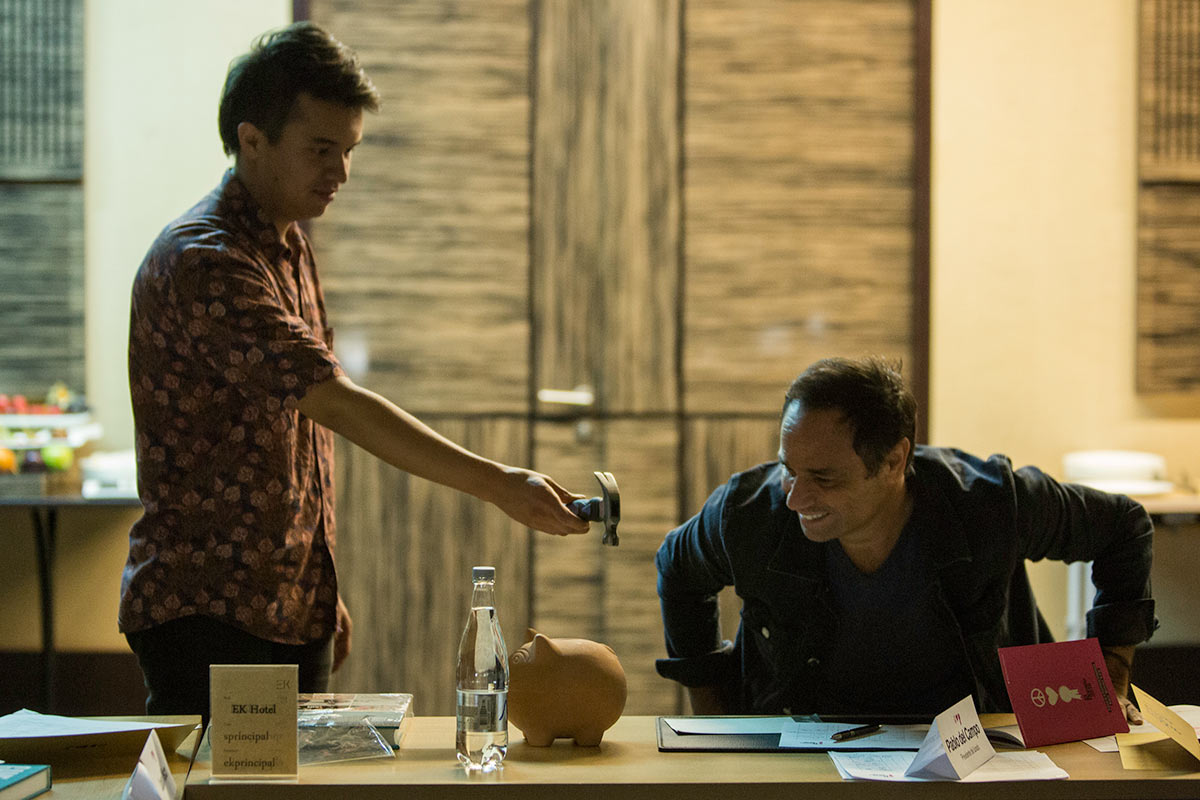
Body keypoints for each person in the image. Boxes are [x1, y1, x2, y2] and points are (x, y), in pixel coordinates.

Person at [120, 21, 590, 720]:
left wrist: (318, 589)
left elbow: (299, 442)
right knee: (226, 779)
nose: (340, 172)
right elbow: (334, 402)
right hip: (210, 610)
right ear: (252, 140)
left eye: (348, 151)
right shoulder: (206, 260)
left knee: (307, 775)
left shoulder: (287, 245)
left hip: (287, 607)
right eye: (321, 150)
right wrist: (499, 483)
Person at [656, 356, 1156, 722]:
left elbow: (1124, 527)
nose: (795, 498)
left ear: (895, 460)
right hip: (808, 746)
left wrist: (1112, 674)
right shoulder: (749, 514)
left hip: (980, 747)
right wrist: (712, 707)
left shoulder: (989, 503)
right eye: (789, 469)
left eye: (824, 478)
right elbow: (677, 568)